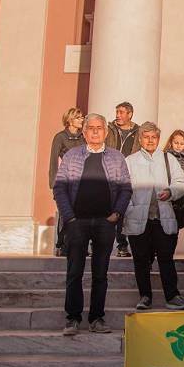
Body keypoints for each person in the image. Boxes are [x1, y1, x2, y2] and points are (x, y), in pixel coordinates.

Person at [53, 113, 132, 336]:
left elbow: (126, 188)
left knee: (100, 273)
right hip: (77, 222)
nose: (95, 132)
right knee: (74, 271)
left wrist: (117, 213)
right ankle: (73, 318)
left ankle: (97, 318)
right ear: (84, 132)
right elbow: (59, 187)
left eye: (99, 128)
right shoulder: (71, 156)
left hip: (105, 223)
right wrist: (69, 217)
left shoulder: (117, 158)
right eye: (91, 128)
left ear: (106, 132)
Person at [123, 122, 184, 311]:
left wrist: (171, 192)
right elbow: (123, 188)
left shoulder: (168, 158)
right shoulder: (130, 161)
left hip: (163, 218)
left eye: (154, 137)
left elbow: (180, 182)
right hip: (139, 218)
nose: (150, 140)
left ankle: (172, 296)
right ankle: (145, 296)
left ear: (159, 139)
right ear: (140, 139)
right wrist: (129, 209)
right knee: (141, 260)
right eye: (146, 137)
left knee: (166, 258)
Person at [105, 101, 140, 257]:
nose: (118, 115)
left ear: (130, 114)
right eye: (117, 112)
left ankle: (122, 245)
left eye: (121, 112)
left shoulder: (138, 132)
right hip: (109, 174)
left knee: (122, 211)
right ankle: (99, 244)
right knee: (105, 210)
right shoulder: (109, 129)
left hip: (128, 175)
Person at [49, 107, 85, 256]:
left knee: (82, 214)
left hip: (83, 180)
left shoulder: (84, 137)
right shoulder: (60, 137)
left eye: (82, 117)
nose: (81, 120)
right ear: (70, 120)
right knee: (66, 213)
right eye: (78, 118)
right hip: (67, 181)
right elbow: (53, 161)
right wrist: (54, 183)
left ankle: (81, 245)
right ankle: (63, 244)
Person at [164, 129, 184, 230]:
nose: (178, 146)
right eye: (176, 142)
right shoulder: (164, 157)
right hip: (168, 196)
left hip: (182, 199)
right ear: (171, 142)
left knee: (176, 228)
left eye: (182, 143)